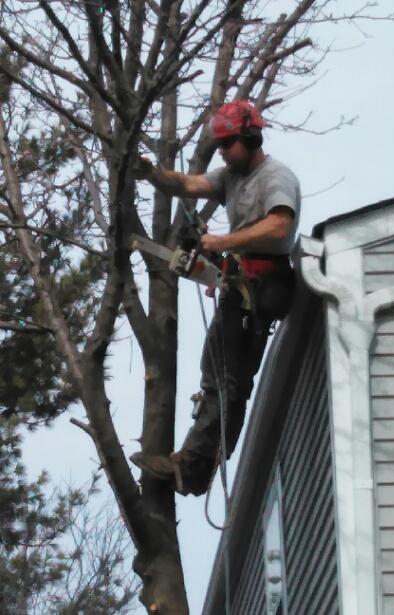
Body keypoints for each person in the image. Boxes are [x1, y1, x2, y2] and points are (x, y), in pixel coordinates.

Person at [130, 100, 301, 495]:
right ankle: (194, 466)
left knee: (226, 381)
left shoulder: (276, 177)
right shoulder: (230, 176)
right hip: (243, 283)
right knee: (217, 374)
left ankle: (193, 463)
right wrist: (153, 174)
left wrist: (225, 241)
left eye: (228, 144)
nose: (222, 152)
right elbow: (188, 185)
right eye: (219, 145)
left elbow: (279, 226)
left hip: (265, 285)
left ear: (251, 137)